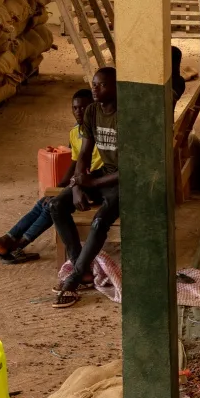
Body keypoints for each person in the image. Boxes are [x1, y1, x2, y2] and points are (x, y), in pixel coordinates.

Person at [0, 86, 105, 264]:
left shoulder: (103, 132)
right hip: (80, 183)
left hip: (96, 185)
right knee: (44, 201)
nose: (79, 112)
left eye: (84, 107)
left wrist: (68, 188)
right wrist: (59, 187)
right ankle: (9, 239)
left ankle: (16, 245)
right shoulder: (76, 131)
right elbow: (76, 162)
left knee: (52, 205)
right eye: (75, 108)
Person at [54, 66, 119, 309]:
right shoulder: (92, 111)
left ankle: (73, 277)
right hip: (100, 176)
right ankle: (80, 268)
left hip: (123, 182)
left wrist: (92, 182)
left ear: (116, 88)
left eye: (100, 85)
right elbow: (84, 152)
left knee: (100, 221)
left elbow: (131, 170)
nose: (94, 89)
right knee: (56, 205)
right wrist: (79, 183)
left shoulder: (124, 115)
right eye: (93, 84)